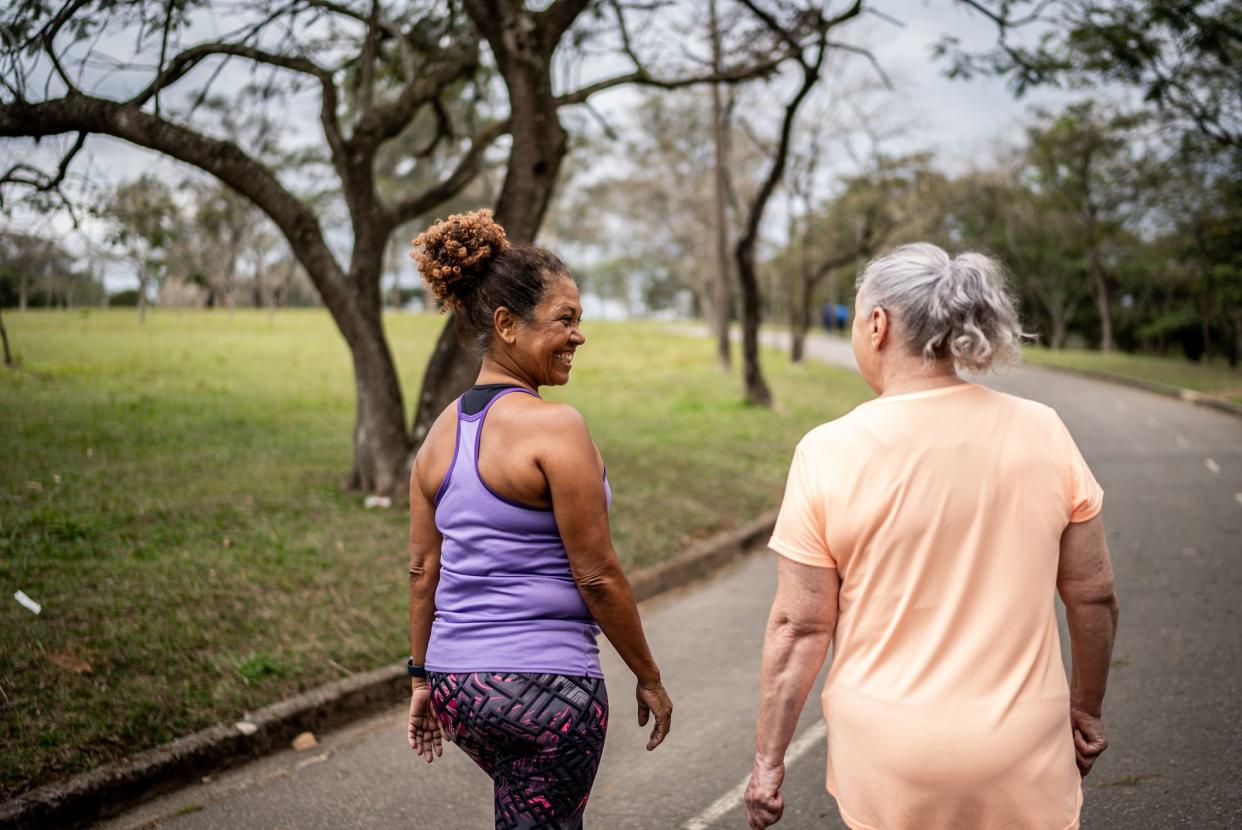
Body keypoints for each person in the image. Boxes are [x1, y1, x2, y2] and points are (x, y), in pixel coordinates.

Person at [745, 243, 1120, 830]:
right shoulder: (1042, 430)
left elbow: (800, 627)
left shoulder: (827, 451)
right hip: (1023, 748)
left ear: (877, 323)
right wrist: (1086, 710)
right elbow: (1093, 595)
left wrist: (768, 764)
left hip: (891, 759)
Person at [404, 209, 673, 830]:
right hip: (545, 690)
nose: (579, 336)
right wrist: (650, 677)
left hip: (458, 690)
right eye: (565, 320)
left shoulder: (437, 438)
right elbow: (598, 574)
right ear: (506, 326)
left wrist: (421, 680)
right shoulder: (557, 428)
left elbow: (423, 570)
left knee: (524, 810)